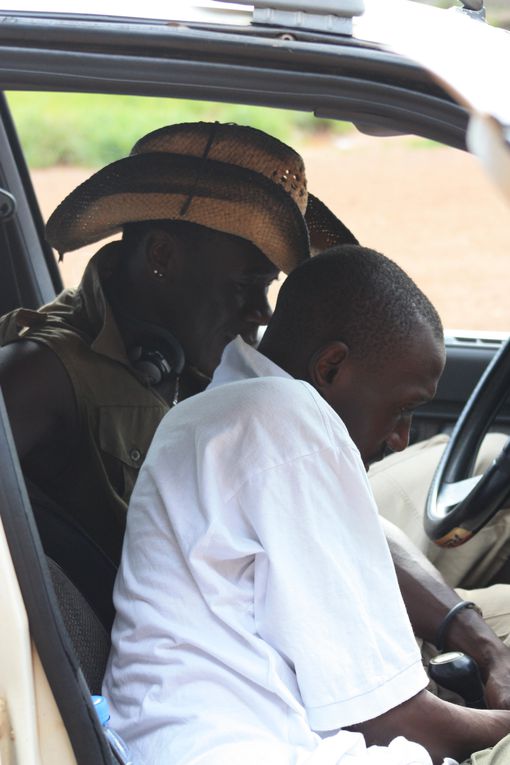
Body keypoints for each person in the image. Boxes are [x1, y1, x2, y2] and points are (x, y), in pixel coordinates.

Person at [104, 246, 510, 765]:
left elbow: (367, 535)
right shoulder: (285, 420)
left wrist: (485, 650)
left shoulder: (241, 408)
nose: (402, 438)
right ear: (332, 366)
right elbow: (392, 722)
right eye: (403, 408)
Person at [0, 121, 356, 565]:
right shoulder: (41, 373)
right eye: (245, 286)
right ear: (161, 256)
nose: (263, 313)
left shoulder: (202, 360)